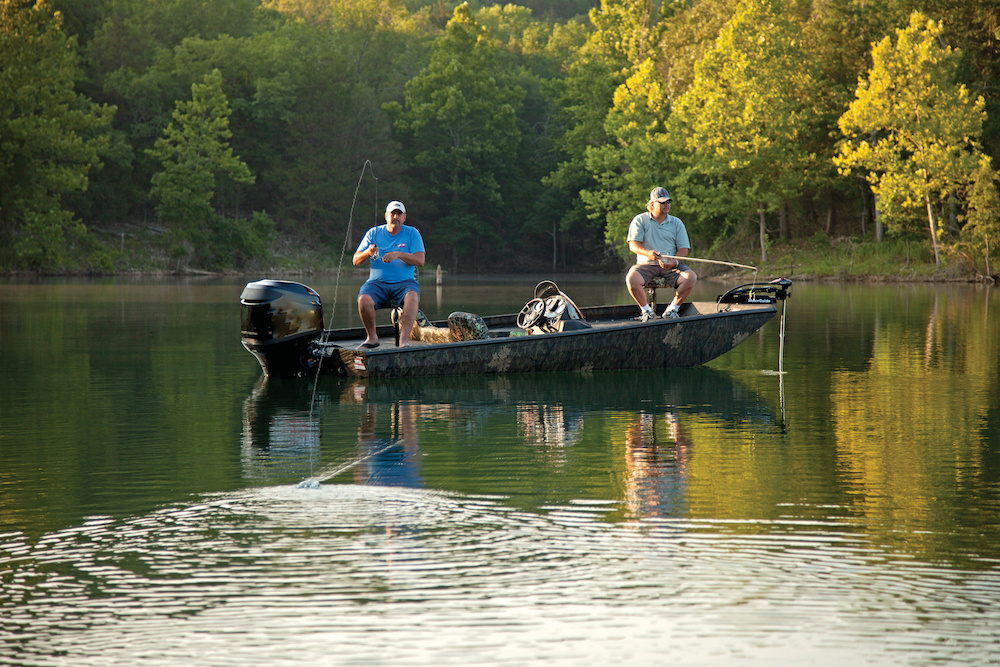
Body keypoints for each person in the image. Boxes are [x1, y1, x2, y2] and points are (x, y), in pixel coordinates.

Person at [353, 200, 426, 348]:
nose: (395, 217)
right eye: (392, 214)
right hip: (377, 283)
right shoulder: (373, 233)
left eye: (399, 214)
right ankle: (372, 338)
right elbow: (356, 260)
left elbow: (420, 260)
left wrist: (398, 254)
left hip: (405, 283)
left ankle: (404, 341)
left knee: (412, 296)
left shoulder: (412, 233)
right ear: (386, 216)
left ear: (404, 217)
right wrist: (368, 252)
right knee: (363, 299)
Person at [625, 186, 697, 321]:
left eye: (668, 202)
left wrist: (674, 262)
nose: (666, 205)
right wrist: (648, 253)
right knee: (631, 279)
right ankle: (647, 312)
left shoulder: (676, 223)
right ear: (652, 204)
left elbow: (683, 249)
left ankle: (672, 310)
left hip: (672, 267)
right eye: (662, 202)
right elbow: (633, 245)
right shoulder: (640, 220)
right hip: (646, 265)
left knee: (691, 277)